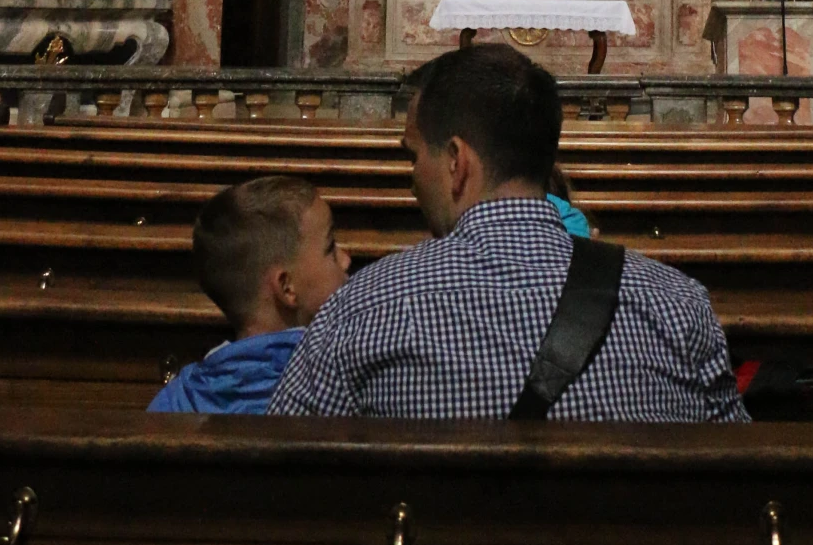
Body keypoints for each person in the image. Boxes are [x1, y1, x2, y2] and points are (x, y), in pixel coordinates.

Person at [268, 44, 748, 423]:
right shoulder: (677, 306)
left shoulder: (361, 311)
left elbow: (280, 481)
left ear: (457, 162)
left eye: (414, 155)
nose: (413, 175)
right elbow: (741, 487)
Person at [151, 176, 350, 415]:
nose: (346, 259)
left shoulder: (174, 402)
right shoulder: (339, 392)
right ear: (287, 287)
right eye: (330, 249)